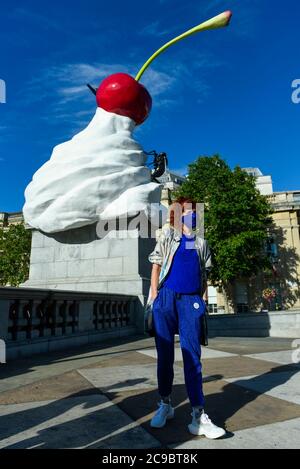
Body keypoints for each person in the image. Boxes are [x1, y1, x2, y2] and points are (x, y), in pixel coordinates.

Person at [147, 197, 226, 439]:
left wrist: (201, 301)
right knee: (165, 356)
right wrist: (154, 296)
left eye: (194, 211)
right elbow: (156, 265)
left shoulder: (201, 243)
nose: (191, 214)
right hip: (167, 299)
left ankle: (197, 415)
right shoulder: (169, 237)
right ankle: (165, 404)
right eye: (186, 211)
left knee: (192, 357)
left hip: (190, 300)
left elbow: (204, 274)